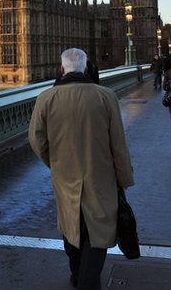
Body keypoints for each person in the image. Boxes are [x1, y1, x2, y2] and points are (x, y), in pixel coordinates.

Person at [29, 48, 135, 290]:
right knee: (98, 232)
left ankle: (78, 274)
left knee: (71, 227)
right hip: (102, 177)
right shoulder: (105, 96)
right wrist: (124, 179)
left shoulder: (46, 98)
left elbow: (36, 140)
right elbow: (118, 144)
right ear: (86, 68)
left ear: (62, 68)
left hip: (65, 177)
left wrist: (54, 162)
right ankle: (87, 281)